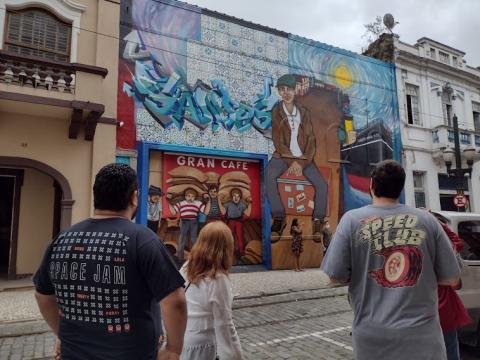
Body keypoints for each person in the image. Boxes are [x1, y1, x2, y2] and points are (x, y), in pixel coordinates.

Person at [33, 163, 187, 360]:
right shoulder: (143, 240)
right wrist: (173, 350)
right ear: (134, 197)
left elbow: (43, 296)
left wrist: (62, 334)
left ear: (95, 196)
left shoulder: (62, 240)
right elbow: (175, 301)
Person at [321, 160, 462, 360]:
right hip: (423, 339)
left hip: (373, 340)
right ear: (401, 188)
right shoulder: (428, 221)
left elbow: (335, 275)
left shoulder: (351, 221)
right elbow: (452, 279)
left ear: (371, 185)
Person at [266, 74, 328, 239]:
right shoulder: (277, 111)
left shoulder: (303, 112)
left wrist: (302, 162)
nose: (285, 92)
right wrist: (291, 161)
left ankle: (318, 220)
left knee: (322, 185)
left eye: (289, 89)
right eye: (282, 89)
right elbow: (278, 140)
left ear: (294, 91)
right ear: (279, 91)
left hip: (303, 158)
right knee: (268, 177)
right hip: (282, 156)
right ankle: (279, 217)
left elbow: (311, 140)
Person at [180, 221, 243, 360]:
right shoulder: (218, 279)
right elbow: (225, 324)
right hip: (204, 347)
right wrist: (236, 356)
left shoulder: (187, 267)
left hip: (184, 341)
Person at [431, 213, 472, 360]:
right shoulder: (445, 251)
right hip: (443, 306)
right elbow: (457, 243)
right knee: (450, 348)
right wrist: (437, 223)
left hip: (420, 311)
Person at [169, 188, 206, 262]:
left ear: (195, 197)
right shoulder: (181, 203)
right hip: (184, 222)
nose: (190, 198)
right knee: (182, 239)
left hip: (194, 222)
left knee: (194, 239)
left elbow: (204, 211)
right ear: (185, 197)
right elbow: (173, 212)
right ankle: (180, 258)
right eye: (188, 196)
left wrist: (207, 201)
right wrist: (168, 202)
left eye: (192, 196)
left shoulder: (198, 203)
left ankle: (196, 257)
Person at [221, 188, 252, 257]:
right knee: (230, 237)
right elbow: (222, 211)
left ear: (240, 197)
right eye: (234, 196)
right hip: (230, 221)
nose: (236, 198)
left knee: (240, 237)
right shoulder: (227, 204)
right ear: (232, 197)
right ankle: (229, 252)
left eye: (238, 196)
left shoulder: (242, 205)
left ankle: (241, 252)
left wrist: (250, 203)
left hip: (239, 222)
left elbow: (247, 213)